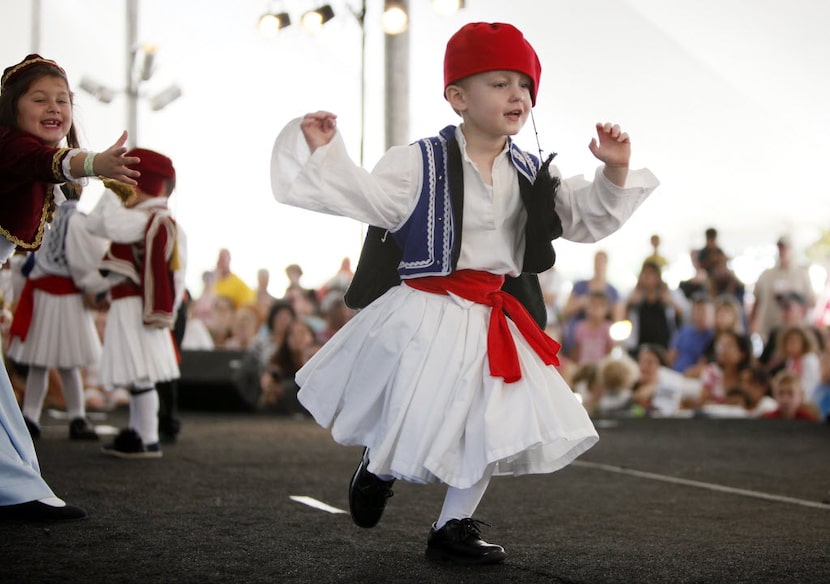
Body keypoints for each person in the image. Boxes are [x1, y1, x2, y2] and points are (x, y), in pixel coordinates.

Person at [269, 22, 659, 563]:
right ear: (457, 96)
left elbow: (581, 218)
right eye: (499, 83)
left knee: (490, 417)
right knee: (414, 408)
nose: (517, 95)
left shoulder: (532, 170)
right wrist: (325, 153)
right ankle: (376, 467)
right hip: (426, 308)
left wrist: (613, 171)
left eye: (524, 85)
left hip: (493, 313)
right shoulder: (417, 161)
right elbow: (369, 198)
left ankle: (452, 526)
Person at [0, 54, 139, 521]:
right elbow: (53, 161)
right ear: (13, 109)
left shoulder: (28, 160)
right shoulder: (14, 148)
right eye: (39, 99)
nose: (53, 106)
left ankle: (18, 484)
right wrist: (96, 162)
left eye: (62, 99)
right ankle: (17, 488)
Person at [82, 147, 187, 459]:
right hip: (143, 306)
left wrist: (112, 186)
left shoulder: (143, 220)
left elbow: (99, 224)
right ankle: (140, 435)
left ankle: (147, 439)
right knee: (139, 376)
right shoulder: (155, 220)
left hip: (137, 307)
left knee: (141, 376)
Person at [6, 177, 111, 442]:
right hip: (63, 299)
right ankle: (74, 417)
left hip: (46, 296)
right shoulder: (76, 221)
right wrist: (96, 287)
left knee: (43, 362)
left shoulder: (45, 219)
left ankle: (33, 417)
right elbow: (83, 263)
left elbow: (27, 262)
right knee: (66, 364)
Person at [750, 235, 815, 345]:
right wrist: (752, 323)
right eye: (780, 248)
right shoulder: (766, 275)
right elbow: (756, 300)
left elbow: (811, 301)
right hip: (769, 326)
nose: (783, 251)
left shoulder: (801, 274)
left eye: (786, 248)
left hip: (793, 331)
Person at [667, 292, 714, 378]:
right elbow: (672, 355)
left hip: (695, 379)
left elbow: (704, 365)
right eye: (696, 311)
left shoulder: (713, 337)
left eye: (702, 311)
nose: (699, 315)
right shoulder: (684, 331)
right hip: (674, 374)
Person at [572, 290, 614, 365]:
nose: (597, 308)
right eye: (593, 304)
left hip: (600, 368)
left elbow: (610, 351)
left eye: (601, 305)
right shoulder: (581, 327)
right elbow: (576, 350)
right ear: (587, 307)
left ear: (607, 309)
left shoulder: (608, 328)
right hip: (583, 367)